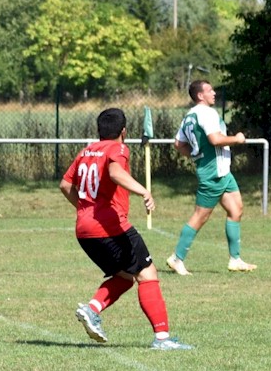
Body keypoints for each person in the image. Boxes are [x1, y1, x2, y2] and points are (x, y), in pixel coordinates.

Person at [60, 108, 192, 350]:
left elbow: (65, 184)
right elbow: (115, 172)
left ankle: (92, 309)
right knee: (147, 274)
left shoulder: (86, 151)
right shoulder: (118, 148)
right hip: (111, 227)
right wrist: (143, 190)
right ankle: (162, 339)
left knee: (125, 277)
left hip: (84, 230)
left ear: (99, 130)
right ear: (123, 131)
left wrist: (85, 208)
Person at [166, 80, 257, 276]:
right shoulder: (206, 113)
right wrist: (237, 139)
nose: (214, 93)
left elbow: (178, 144)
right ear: (200, 95)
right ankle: (176, 258)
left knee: (236, 209)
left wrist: (196, 154)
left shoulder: (189, 116)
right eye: (210, 90)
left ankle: (235, 259)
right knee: (200, 216)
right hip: (214, 173)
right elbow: (215, 140)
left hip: (222, 171)